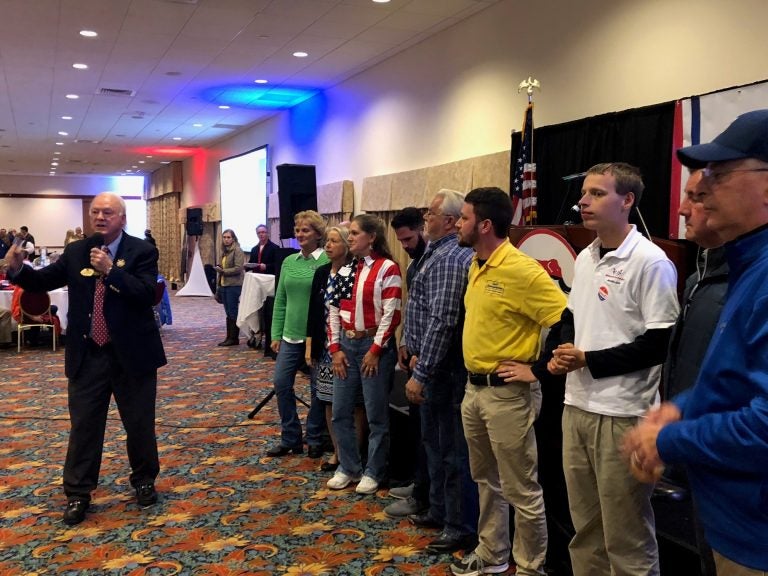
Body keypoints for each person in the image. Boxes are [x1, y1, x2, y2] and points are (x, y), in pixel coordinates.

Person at [625, 109, 768, 575]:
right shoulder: (750, 265)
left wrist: (669, 438)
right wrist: (681, 408)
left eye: (721, 174)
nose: (701, 190)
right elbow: (734, 379)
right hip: (732, 518)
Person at [547, 163, 679, 576]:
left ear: (627, 201)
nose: (582, 201)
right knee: (585, 529)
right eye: (584, 193)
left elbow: (659, 345)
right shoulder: (586, 257)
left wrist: (589, 360)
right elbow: (572, 318)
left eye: (597, 194)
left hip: (623, 414)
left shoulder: (650, 261)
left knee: (626, 537)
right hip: (577, 406)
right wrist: (560, 353)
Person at [5, 192, 166, 526]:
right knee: (84, 427)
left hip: (132, 356)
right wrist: (19, 269)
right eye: (95, 211)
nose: (100, 217)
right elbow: (45, 279)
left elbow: (145, 294)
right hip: (88, 354)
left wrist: (111, 272)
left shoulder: (143, 251)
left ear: (122, 218)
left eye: (108, 212)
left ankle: (144, 480)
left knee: (138, 424)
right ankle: (78, 494)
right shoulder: (78, 250)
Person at [451, 187, 567, 576]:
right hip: (474, 390)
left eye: (464, 218)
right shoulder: (476, 263)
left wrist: (536, 369)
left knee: (521, 489)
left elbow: (565, 319)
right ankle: (493, 554)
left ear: (484, 225)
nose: (458, 224)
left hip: (508, 396)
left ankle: (530, 567)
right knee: (486, 480)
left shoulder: (522, 269)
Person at [656, 168, 725, 576]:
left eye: (698, 197)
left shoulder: (750, 281)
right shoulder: (699, 279)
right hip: (699, 450)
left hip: (732, 463)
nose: (681, 209)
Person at [400, 189, 477, 554]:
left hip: (443, 372)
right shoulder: (435, 253)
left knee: (451, 451)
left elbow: (443, 320)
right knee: (434, 444)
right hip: (428, 365)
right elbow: (421, 310)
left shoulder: (449, 258)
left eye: (429, 213)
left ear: (448, 220)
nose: (424, 218)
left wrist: (423, 369)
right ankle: (440, 509)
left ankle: (458, 525)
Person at [327, 214, 402, 494]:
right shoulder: (346, 270)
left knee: (375, 415)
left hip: (374, 348)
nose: (351, 238)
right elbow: (334, 311)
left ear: (372, 237)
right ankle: (348, 467)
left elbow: (391, 313)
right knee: (341, 411)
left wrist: (375, 350)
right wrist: (334, 349)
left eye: (356, 233)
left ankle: (374, 470)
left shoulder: (387, 268)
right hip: (346, 347)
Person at [266, 210, 329, 458]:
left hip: (316, 337)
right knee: (281, 384)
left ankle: (314, 436)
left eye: (306, 230)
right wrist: (275, 334)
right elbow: (280, 300)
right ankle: (290, 437)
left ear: (317, 234)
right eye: (298, 230)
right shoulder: (288, 262)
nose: (300, 234)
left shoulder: (326, 260)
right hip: (290, 336)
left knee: (317, 389)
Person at [306, 225, 365, 472]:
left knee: (354, 403)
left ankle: (354, 453)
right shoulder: (321, 272)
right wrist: (309, 345)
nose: (328, 246)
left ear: (345, 245)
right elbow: (313, 311)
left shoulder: (355, 272)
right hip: (325, 347)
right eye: (327, 241)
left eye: (333, 241)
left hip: (349, 345)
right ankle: (338, 452)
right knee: (328, 400)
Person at [385, 206, 429, 516]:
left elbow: (440, 319)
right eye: (400, 241)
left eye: (410, 238)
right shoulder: (414, 265)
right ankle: (418, 484)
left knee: (430, 437)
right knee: (417, 429)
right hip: (412, 354)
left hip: (431, 362)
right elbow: (411, 310)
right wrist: (404, 342)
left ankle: (424, 494)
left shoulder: (440, 262)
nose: (406, 246)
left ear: (423, 228)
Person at [214, 229, 245, 347]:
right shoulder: (225, 251)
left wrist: (223, 271)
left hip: (234, 285)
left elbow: (238, 268)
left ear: (233, 239)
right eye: (224, 237)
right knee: (228, 312)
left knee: (232, 312)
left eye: (228, 237)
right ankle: (229, 337)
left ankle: (234, 338)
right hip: (224, 284)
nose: (226, 239)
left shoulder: (238, 250)